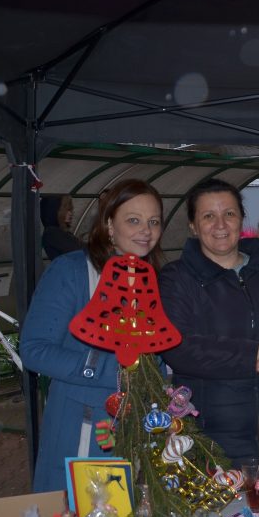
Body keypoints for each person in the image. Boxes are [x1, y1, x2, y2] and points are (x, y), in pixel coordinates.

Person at [159, 179, 259, 464]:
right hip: (213, 437)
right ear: (193, 226)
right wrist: (253, 353)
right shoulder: (177, 278)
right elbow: (179, 347)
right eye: (209, 216)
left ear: (241, 219)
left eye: (229, 214)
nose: (220, 224)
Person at [23, 179, 165, 492]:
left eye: (154, 222)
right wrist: (108, 369)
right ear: (109, 225)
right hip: (82, 426)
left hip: (136, 427)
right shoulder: (72, 271)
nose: (146, 230)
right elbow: (34, 350)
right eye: (134, 220)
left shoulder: (149, 279)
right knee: (81, 516)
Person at [40, 194, 84, 260]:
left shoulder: (58, 232)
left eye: (70, 210)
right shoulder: (52, 233)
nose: (70, 213)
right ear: (55, 211)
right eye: (66, 210)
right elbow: (78, 251)